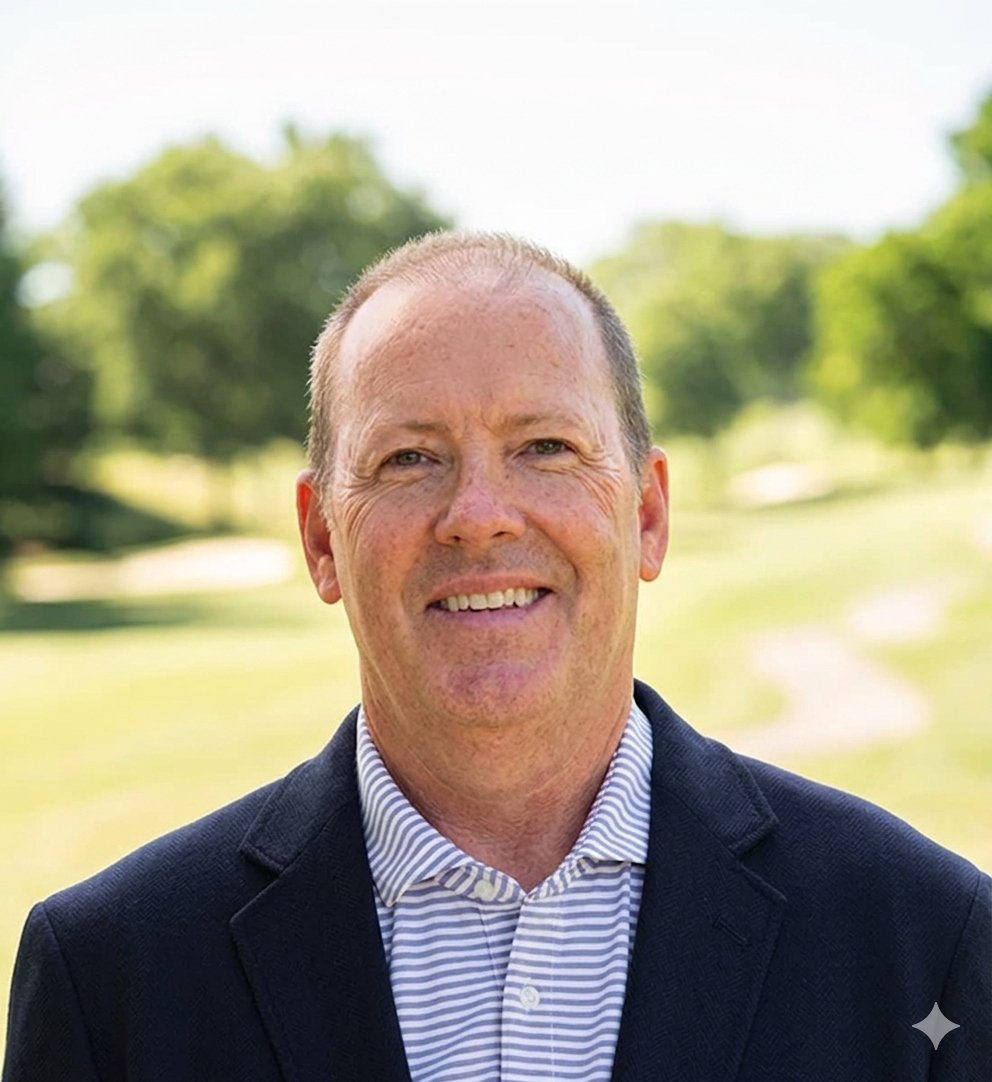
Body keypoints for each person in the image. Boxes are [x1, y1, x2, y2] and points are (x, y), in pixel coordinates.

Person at [3, 232, 989, 1082]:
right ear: (320, 538)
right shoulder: (113, 976)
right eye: (408, 458)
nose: (478, 515)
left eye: (545, 447)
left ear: (646, 515)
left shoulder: (923, 936)